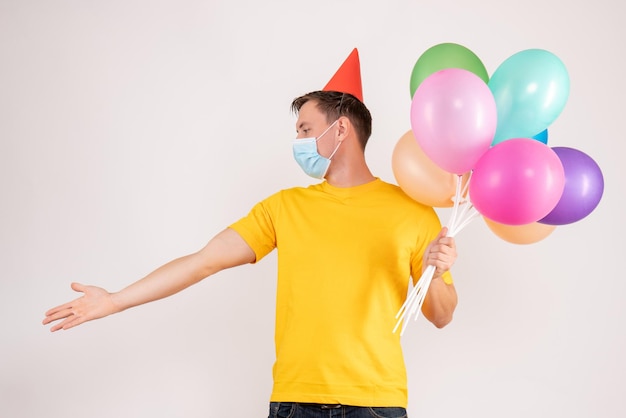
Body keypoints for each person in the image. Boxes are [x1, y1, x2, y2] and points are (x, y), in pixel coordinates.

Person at [43, 48, 458, 418]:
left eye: (305, 130)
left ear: (342, 130)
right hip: (296, 402)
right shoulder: (284, 207)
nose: (297, 140)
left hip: (377, 403)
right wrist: (115, 301)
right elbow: (202, 262)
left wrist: (435, 271)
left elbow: (441, 316)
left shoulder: (413, 211)